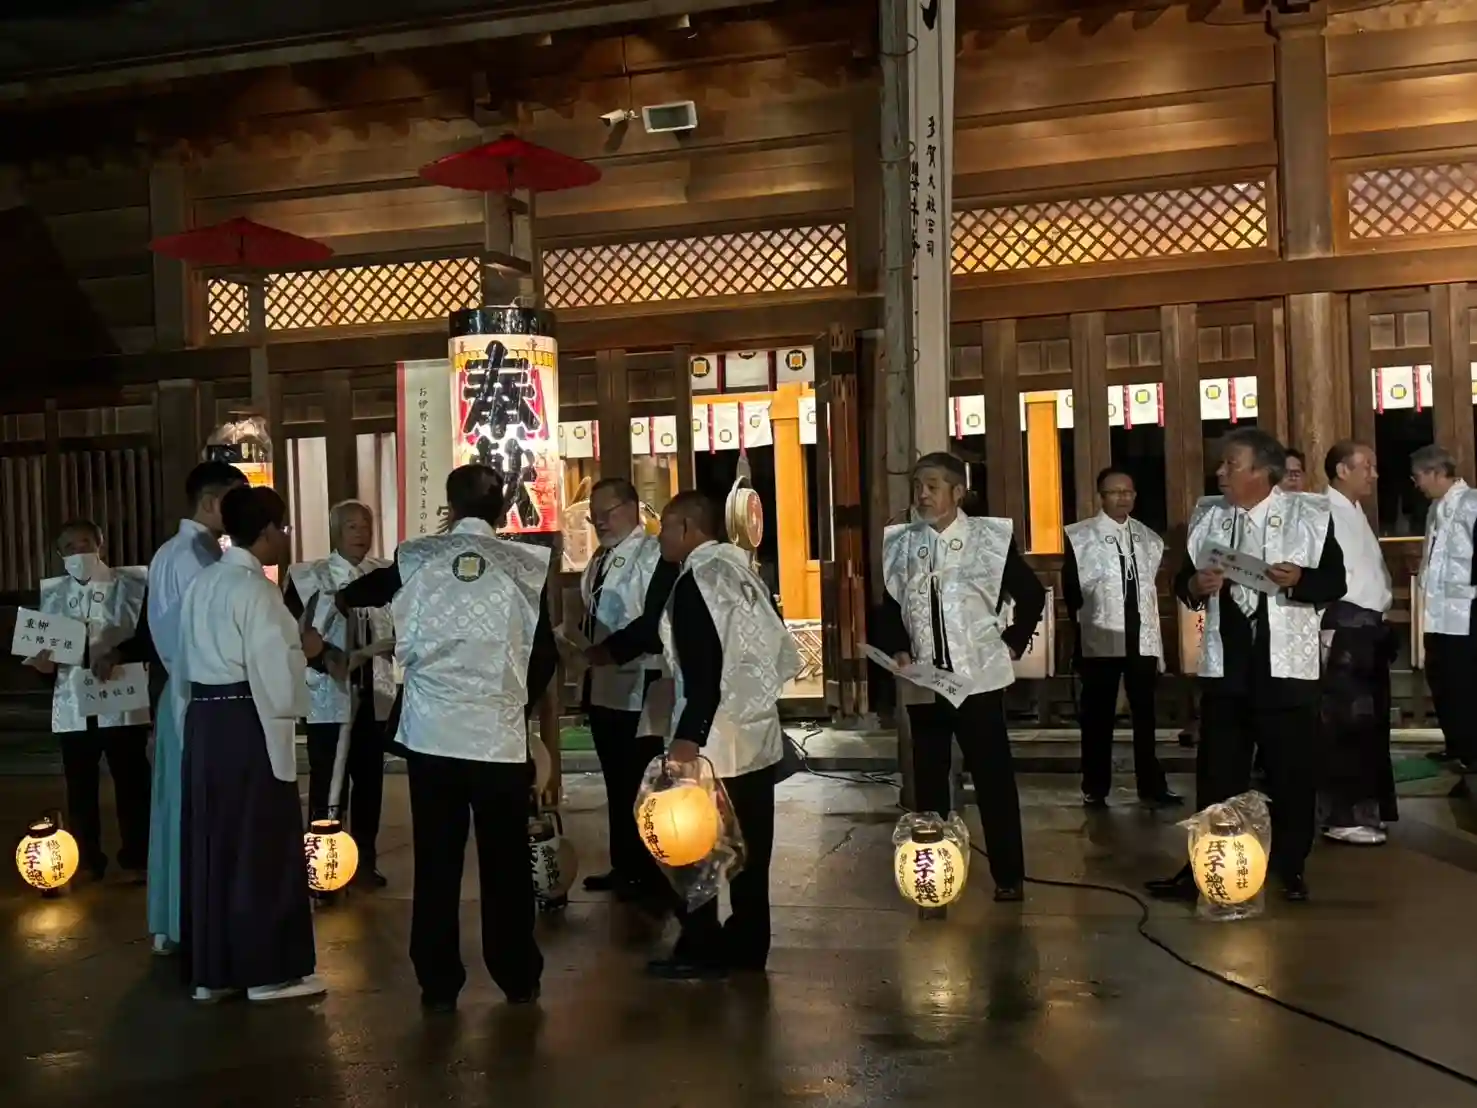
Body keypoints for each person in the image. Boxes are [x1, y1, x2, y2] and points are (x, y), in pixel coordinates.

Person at [337, 464, 556, 1011]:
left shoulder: (417, 557)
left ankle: (437, 983)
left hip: (432, 735)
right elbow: (544, 656)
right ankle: (517, 976)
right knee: (505, 862)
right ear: (502, 510)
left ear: (450, 508)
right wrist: (515, 703)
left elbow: (357, 592)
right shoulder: (524, 566)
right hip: (498, 737)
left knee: (436, 861)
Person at [1147, 429, 1346, 903]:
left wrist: (1299, 579)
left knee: (1291, 775)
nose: (1220, 473)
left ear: (1262, 471)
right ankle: (1203, 868)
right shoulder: (1209, 516)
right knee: (1217, 774)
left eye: (1231, 465)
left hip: (1285, 667)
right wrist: (1194, 585)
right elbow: (1181, 583)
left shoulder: (1309, 515)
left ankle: (1290, 867)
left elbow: (1334, 582)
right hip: (1228, 666)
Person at [874, 452, 1046, 904]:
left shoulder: (989, 539)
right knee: (928, 783)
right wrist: (898, 646)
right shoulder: (902, 543)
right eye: (917, 486)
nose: (922, 495)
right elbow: (891, 607)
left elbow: (1031, 594)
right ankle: (933, 876)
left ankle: (1008, 875)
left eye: (932, 486)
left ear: (957, 492)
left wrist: (1013, 641)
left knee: (992, 779)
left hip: (978, 680)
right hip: (925, 680)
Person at [643, 490, 801, 980]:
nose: (660, 538)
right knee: (750, 851)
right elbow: (778, 650)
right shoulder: (742, 573)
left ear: (688, 529)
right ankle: (750, 944)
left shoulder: (697, 580)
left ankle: (701, 946)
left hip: (713, 739)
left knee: (695, 848)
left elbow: (704, 667)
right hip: (755, 733)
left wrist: (688, 736)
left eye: (666, 528)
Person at [178, 485, 325, 1003]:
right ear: (266, 532)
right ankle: (266, 972)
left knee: (214, 843)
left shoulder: (203, 583)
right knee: (260, 843)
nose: (284, 537)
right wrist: (305, 652)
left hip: (205, 719)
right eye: (281, 528)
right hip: (247, 719)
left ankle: (212, 972)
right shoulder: (257, 591)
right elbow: (275, 674)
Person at [145, 460, 248, 955]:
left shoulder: (190, 552)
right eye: (235, 498)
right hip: (198, 694)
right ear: (210, 501)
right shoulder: (192, 557)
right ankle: (192, 923)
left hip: (186, 691)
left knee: (180, 810)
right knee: (195, 813)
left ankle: (176, 921)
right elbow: (208, 634)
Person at [23, 520, 152, 881]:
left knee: (132, 780)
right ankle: (87, 859)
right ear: (60, 554)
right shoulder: (52, 596)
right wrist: (42, 666)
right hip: (73, 701)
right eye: (70, 547)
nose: (78, 553)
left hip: (120, 697)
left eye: (84, 544)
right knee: (80, 785)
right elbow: (41, 656)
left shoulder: (131, 586)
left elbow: (150, 637)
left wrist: (119, 653)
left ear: (100, 545)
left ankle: (137, 857)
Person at [575, 478, 678, 904]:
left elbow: (652, 622)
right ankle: (625, 865)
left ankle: (655, 871)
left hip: (642, 680)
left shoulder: (651, 554)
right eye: (594, 515)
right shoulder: (599, 558)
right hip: (604, 683)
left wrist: (611, 650)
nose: (600, 521)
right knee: (616, 782)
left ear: (633, 508)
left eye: (608, 512)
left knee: (644, 782)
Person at [284, 500, 396, 892]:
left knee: (369, 782)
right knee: (327, 782)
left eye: (366, 525)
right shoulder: (308, 577)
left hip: (374, 694)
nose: (361, 533)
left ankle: (365, 861)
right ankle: (321, 867)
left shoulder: (384, 575)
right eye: (351, 526)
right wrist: (324, 660)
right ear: (335, 532)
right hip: (327, 696)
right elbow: (294, 634)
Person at [1063, 468, 1180, 809]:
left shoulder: (1147, 537)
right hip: (1100, 635)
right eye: (1114, 492)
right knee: (1098, 716)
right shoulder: (1081, 535)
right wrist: (1084, 624)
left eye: (1128, 492)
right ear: (1101, 496)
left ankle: (1151, 785)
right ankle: (1095, 786)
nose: (1122, 498)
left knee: (1145, 716)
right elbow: (1071, 589)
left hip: (1141, 636)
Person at [1319, 441, 1396, 844]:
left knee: (1370, 725)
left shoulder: (1354, 510)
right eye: (1367, 466)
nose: (1374, 475)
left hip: (1368, 628)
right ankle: (1342, 815)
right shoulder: (1324, 511)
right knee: (1347, 722)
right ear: (1342, 471)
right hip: (1345, 625)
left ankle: (1364, 812)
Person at [1411, 444, 1477, 785]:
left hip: (1466, 611)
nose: (1416, 483)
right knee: (1442, 679)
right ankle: (1455, 744)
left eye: (1419, 476)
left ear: (1437, 473)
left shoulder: (1472, 503)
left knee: (1466, 682)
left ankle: (1472, 751)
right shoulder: (1435, 508)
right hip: (1436, 611)